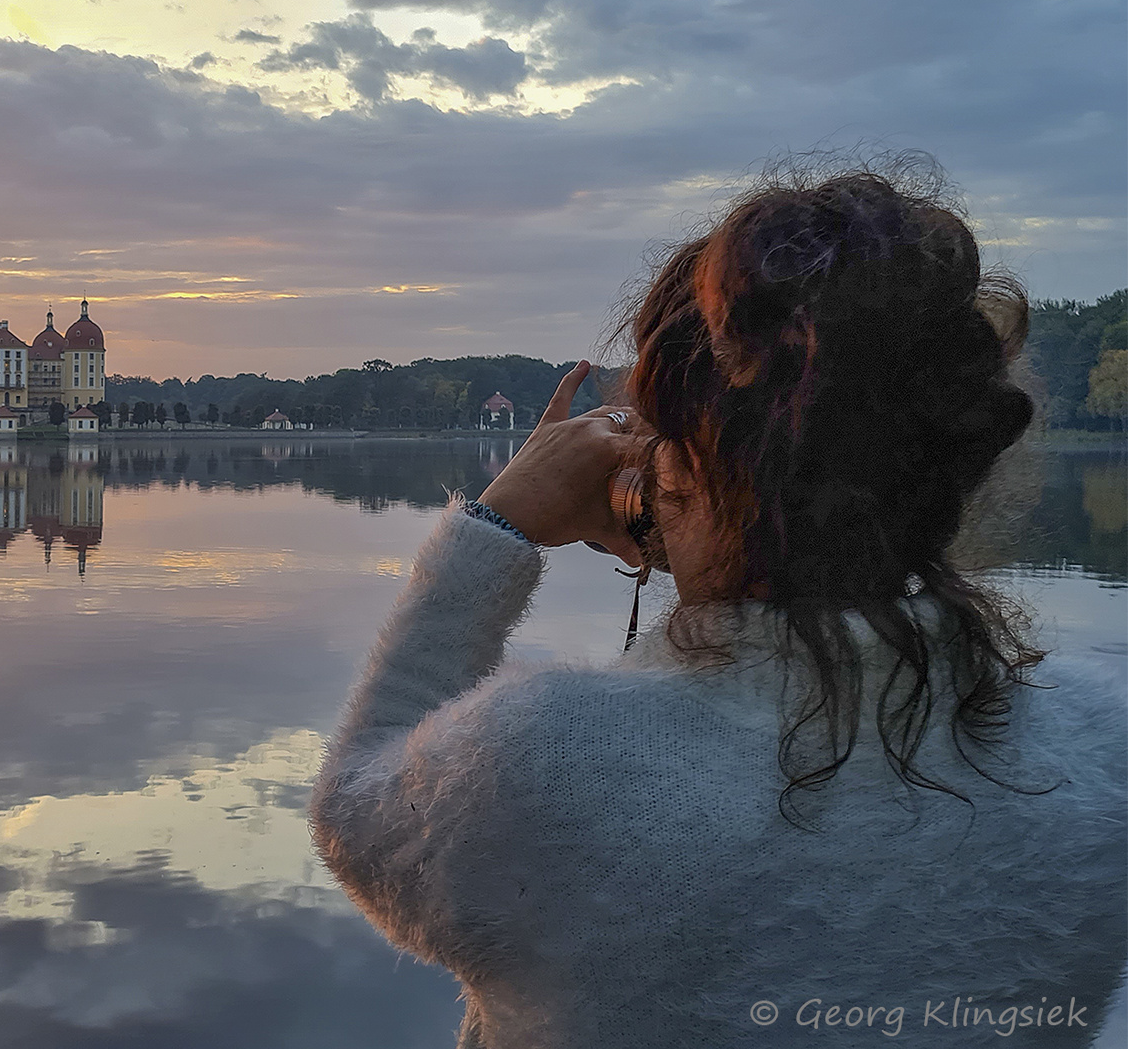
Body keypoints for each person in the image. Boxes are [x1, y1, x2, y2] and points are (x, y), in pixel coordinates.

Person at [309, 168, 1126, 1047]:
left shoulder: (543, 753)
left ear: (688, 462)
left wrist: (496, 529)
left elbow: (356, 816)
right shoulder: (1099, 744)